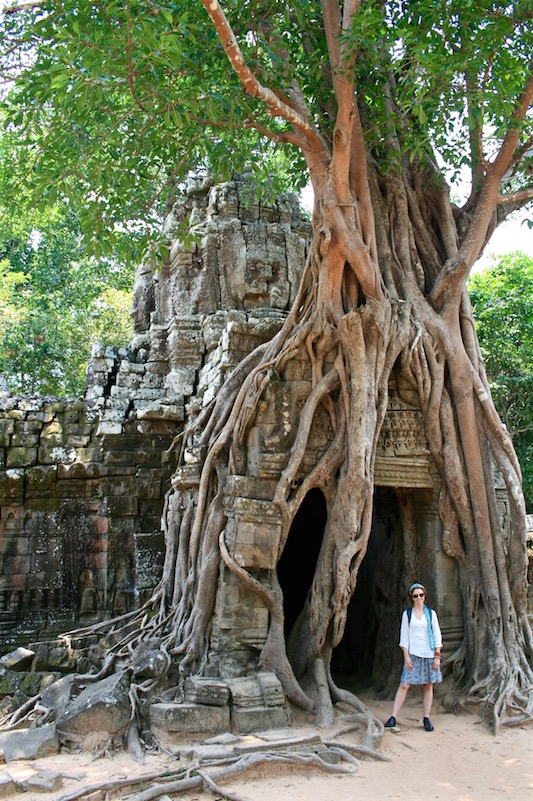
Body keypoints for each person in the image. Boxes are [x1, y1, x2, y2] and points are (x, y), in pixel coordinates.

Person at [384, 582, 443, 732]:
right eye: (415, 596)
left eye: (421, 595)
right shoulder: (407, 614)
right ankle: (393, 717)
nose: (419, 598)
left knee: (428, 685)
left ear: (425, 596)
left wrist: (437, 656)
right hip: (413, 655)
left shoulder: (431, 614)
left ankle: (426, 718)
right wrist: (406, 656)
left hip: (429, 654)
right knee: (404, 684)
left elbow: (437, 634)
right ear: (412, 597)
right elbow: (404, 637)